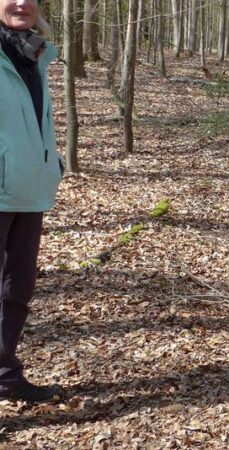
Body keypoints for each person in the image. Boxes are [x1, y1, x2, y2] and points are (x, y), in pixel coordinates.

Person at [0, 0, 63, 402]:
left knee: (17, 288)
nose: (21, 3)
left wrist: (51, 162)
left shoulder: (35, 52)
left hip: (29, 186)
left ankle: (5, 372)